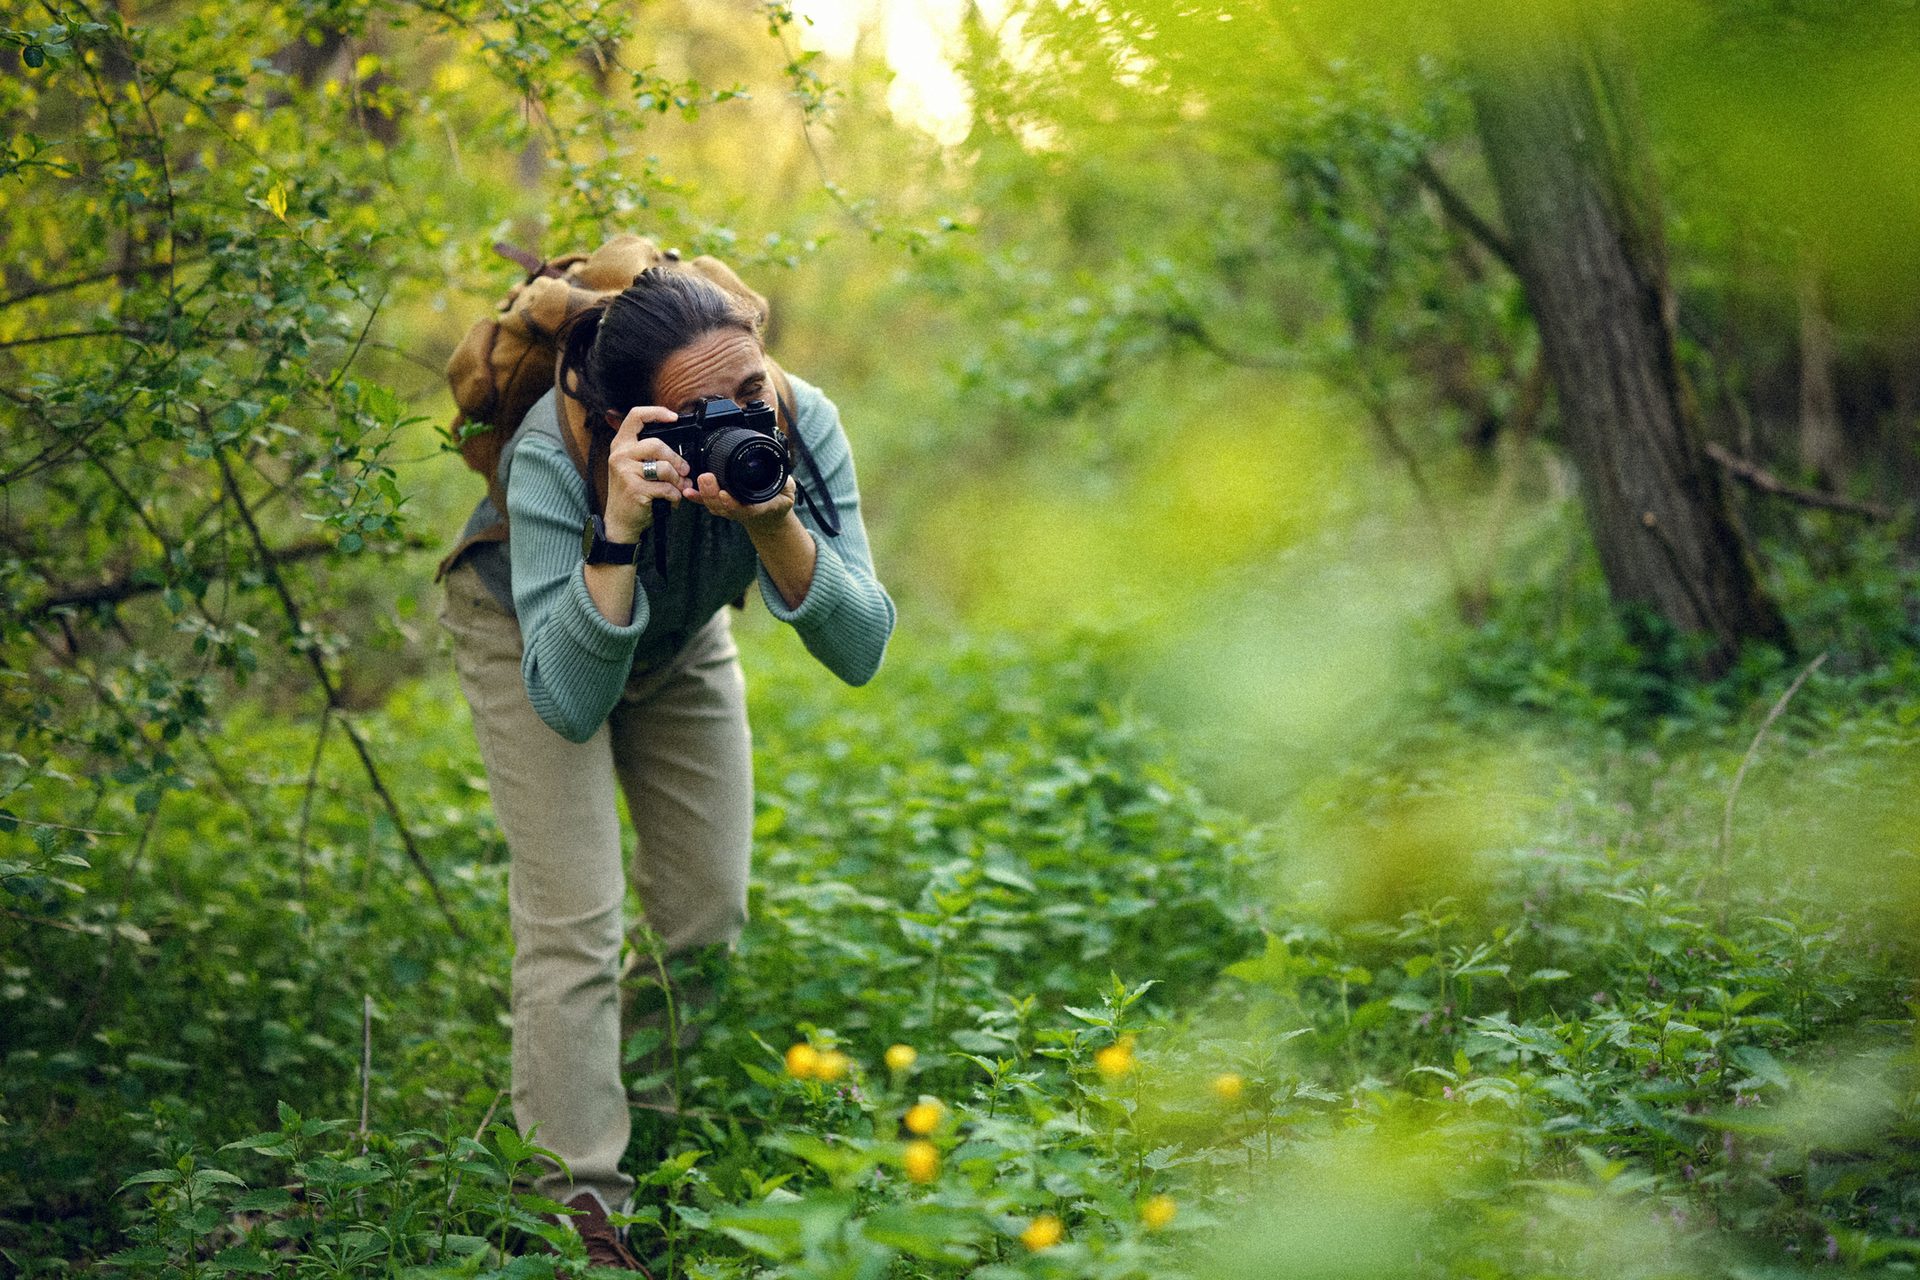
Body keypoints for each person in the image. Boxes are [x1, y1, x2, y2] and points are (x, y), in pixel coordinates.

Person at [434, 267, 895, 1269]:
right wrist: (618, 528)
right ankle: (581, 1213)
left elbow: (861, 648)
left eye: (751, 392)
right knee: (576, 919)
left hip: (682, 637)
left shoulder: (801, 420)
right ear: (622, 418)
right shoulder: (552, 461)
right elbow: (565, 699)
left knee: (704, 909)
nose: (738, 424)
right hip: (545, 632)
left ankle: (653, 1123)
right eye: (698, 418)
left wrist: (773, 519)